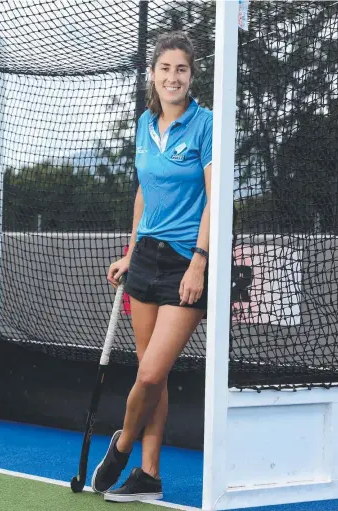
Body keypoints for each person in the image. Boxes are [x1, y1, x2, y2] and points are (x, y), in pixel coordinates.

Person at [91, 31, 212, 502]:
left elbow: (215, 202)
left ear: (192, 76)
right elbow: (144, 192)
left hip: (185, 262)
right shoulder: (145, 124)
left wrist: (199, 263)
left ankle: (121, 445)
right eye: (165, 69)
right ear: (153, 76)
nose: (173, 77)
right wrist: (130, 249)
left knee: (149, 373)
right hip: (145, 260)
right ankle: (149, 477)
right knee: (153, 376)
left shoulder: (206, 125)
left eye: (181, 69)